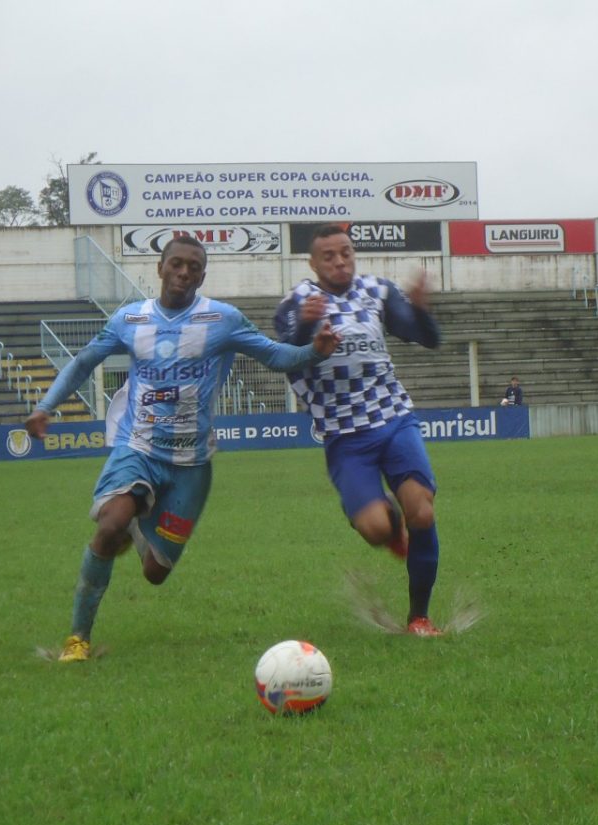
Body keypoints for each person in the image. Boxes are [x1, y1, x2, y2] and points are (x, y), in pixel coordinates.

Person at [25, 235, 340, 662]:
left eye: (193, 266)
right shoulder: (129, 320)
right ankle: (78, 639)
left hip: (192, 466)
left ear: (202, 275)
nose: (183, 272)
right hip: (138, 448)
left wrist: (314, 352)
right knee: (109, 524)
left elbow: (276, 357)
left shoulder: (222, 320)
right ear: (160, 268)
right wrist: (46, 406)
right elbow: (83, 363)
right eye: (176, 264)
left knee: (155, 573)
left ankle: (137, 524)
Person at [273, 223, 444, 637]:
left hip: (392, 417)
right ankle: (379, 513)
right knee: (377, 530)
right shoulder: (296, 303)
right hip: (344, 434)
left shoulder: (376, 291)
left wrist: (421, 311)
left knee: (421, 511)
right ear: (313, 263)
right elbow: (286, 359)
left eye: (346, 252)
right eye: (328, 256)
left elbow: (427, 339)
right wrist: (305, 333)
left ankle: (419, 618)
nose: (339, 261)